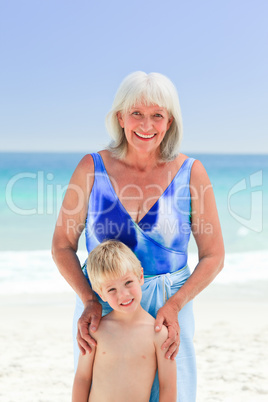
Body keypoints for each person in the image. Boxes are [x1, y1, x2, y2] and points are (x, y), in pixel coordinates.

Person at [52, 71, 225, 401]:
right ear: (120, 117)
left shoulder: (192, 173)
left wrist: (175, 304)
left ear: (170, 121)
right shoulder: (91, 168)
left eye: (157, 115)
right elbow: (61, 245)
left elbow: (214, 255)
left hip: (168, 308)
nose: (146, 126)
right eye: (137, 114)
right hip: (103, 304)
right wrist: (90, 300)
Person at [72, 240, 177, 402]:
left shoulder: (158, 334)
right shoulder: (96, 331)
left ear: (140, 276)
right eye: (111, 289)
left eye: (128, 282)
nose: (123, 295)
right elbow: (82, 378)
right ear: (101, 294)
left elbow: (167, 386)